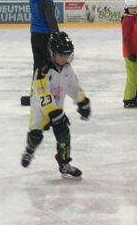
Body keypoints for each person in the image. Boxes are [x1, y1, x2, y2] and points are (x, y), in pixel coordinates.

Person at [20, 32, 90, 178]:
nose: (65, 58)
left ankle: (64, 164)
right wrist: (53, 112)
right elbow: (42, 92)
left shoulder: (67, 69)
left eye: (67, 55)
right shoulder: (43, 71)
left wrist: (81, 101)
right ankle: (30, 150)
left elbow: (73, 86)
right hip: (40, 107)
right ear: (52, 53)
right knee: (36, 134)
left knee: (64, 135)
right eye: (61, 55)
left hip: (57, 107)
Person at [23, 0, 60, 106]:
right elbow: (51, 20)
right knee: (48, 66)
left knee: (37, 64)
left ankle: (34, 93)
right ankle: (45, 95)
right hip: (44, 36)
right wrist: (57, 35)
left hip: (34, 35)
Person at [121, 0, 137, 108]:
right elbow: (126, 38)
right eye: (131, 8)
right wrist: (130, 52)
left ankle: (136, 96)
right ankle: (128, 99)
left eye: (135, 7)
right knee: (132, 76)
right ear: (127, 8)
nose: (134, 9)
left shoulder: (134, 18)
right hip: (130, 52)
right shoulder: (127, 20)